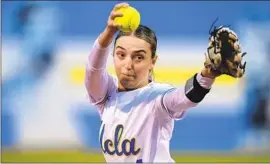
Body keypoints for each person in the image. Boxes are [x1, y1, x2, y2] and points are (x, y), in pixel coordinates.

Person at [85, 3, 222, 162]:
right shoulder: (107, 94)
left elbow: (184, 96)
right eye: (121, 55)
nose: (128, 65)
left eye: (139, 57)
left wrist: (208, 74)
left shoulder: (157, 97)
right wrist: (109, 32)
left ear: (152, 62)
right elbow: (92, 71)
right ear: (113, 56)